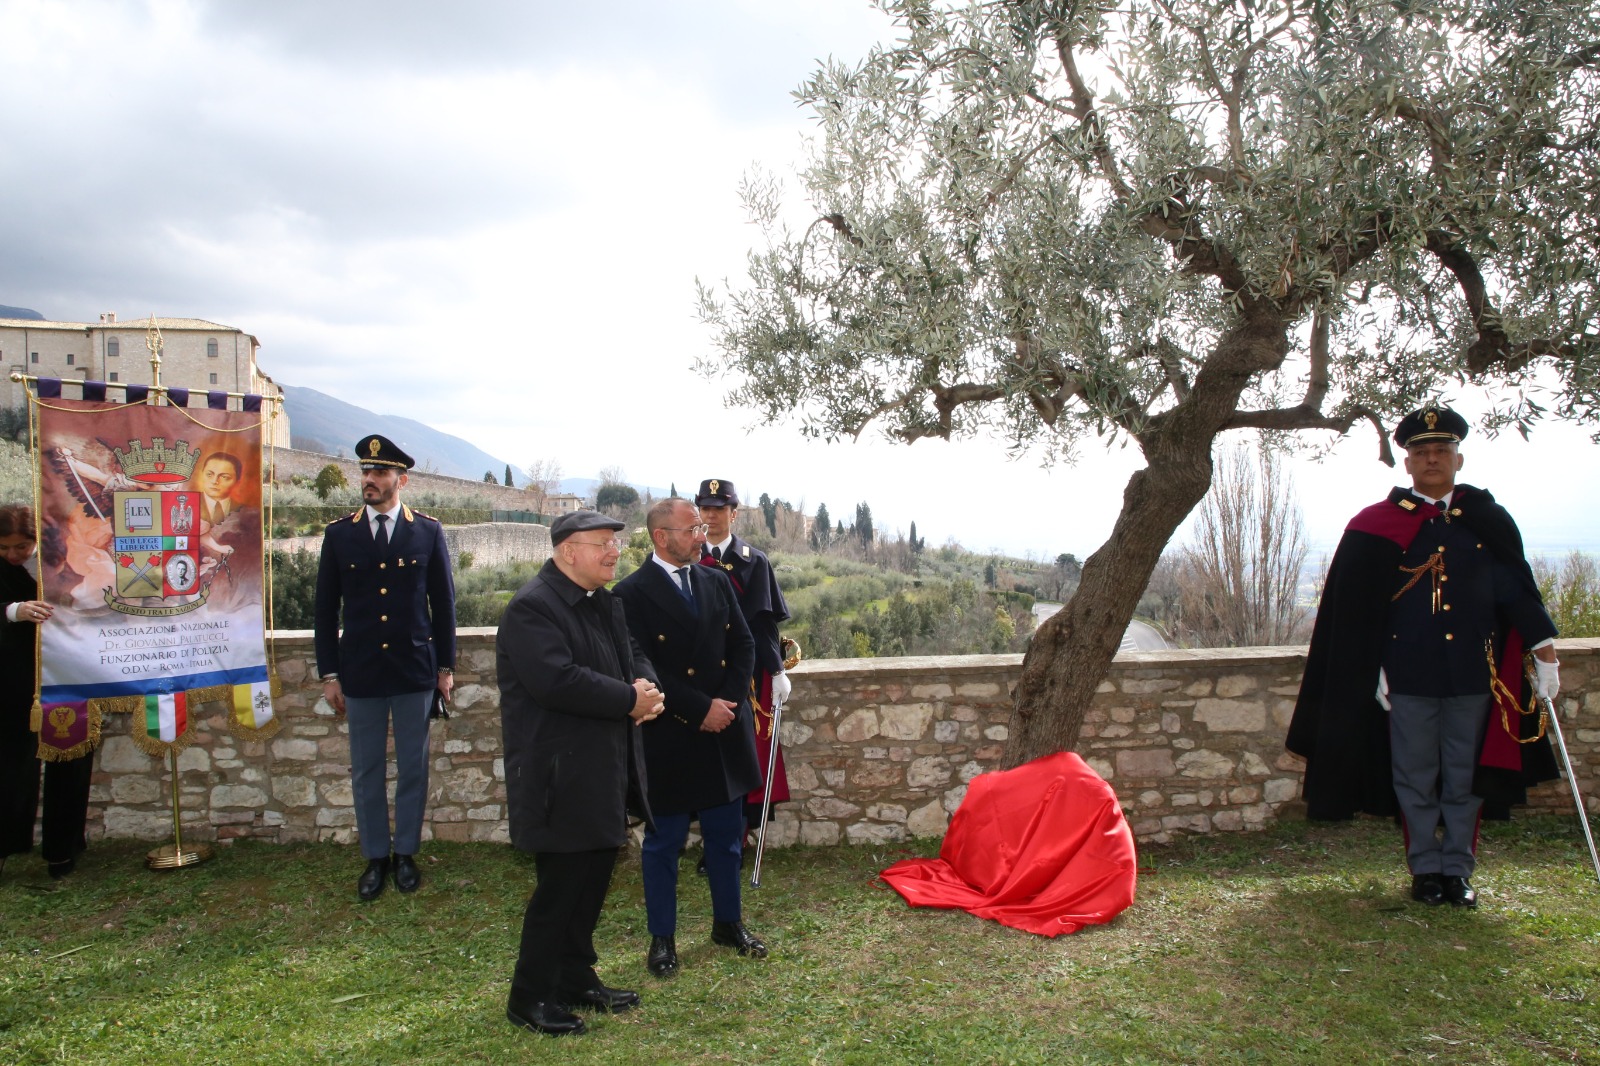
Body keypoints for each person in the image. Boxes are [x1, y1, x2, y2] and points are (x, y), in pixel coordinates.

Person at [1288, 404, 1560, 909]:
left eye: (1442, 450)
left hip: (1474, 675)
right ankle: (1425, 870)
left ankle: (1457, 869)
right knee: (1413, 777)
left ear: (1459, 459)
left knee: (1463, 777)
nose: (1432, 459)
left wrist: (1546, 655)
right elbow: (1352, 611)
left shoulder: (1487, 520)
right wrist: (1368, 667)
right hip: (1405, 675)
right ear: (1408, 463)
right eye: (1422, 452)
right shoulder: (1375, 524)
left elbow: (1517, 593)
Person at [496, 510, 664, 1037]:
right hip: (559, 775)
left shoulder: (602, 601)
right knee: (561, 890)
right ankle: (529, 998)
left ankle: (573, 978)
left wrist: (648, 688)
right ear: (568, 551)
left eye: (616, 542)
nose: (614, 552)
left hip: (603, 767)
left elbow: (632, 654)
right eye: (603, 543)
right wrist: (629, 700)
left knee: (592, 880)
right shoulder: (532, 608)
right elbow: (557, 681)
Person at [614, 497, 767, 977]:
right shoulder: (629, 594)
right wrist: (700, 710)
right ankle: (662, 939)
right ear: (661, 537)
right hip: (671, 733)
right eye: (692, 529)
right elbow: (643, 665)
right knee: (664, 845)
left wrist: (727, 704)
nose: (702, 536)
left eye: (702, 527)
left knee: (725, 839)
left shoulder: (714, 580)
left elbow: (743, 645)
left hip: (723, 729)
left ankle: (728, 924)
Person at [314, 434, 456, 901]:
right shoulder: (340, 534)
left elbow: (443, 605)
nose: (369, 480)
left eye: (379, 472)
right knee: (366, 768)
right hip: (361, 671)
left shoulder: (427, 532)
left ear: (401, 480)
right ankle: (376, 856)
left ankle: (406, 854)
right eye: (365, 472)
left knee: (413, 767)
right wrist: (329, 674)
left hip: (413, 668)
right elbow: (324, 610)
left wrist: (445, 667)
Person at [695, 479, 793, 847]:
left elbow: (763, 623)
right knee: (701, 756)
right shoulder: (684, 557)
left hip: (743, 676)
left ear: (733, 514)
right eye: (705, 508)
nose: (711, 516)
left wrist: (778, 671)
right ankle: (711, 839)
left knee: (741, 753)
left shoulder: (754, 561)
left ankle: (733, 837)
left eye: (719, 509)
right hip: (695, 674)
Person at [0, 504, 93, 879]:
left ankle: (62, 848)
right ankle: (6, 845)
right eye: (4, 547)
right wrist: (13, 611)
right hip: (12, 678)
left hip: (67, 670)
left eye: (20, 547)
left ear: (35, 540)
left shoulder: (61, 559)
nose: (12, 554)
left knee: (70, 756)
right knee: (10, 764)